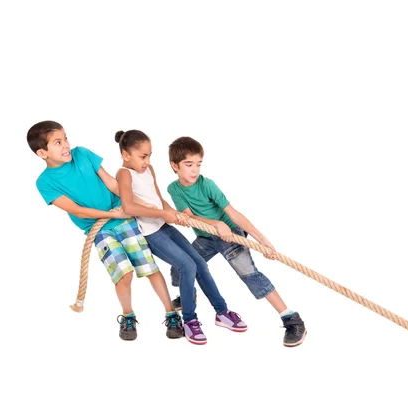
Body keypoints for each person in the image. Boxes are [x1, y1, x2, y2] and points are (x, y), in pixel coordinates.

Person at [28, 121, 183, 341]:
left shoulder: (82, 154)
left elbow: (112, 183)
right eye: (58, 142)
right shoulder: (44, 182)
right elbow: (77, 211)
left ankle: (171, 313)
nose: (66, 145)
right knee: (123, 274)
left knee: (149, 267)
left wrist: (138, 203)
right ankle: (128, 315)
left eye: (65, 138)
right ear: (42, 153)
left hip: (125, 219)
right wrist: (112, 215)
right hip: (100, 229)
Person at [166, 136, 307, 347]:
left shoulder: (207, 185)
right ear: (174, 166)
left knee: (250, 275)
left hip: (229, 234)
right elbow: (188, 216)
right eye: (189, 165)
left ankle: (291, 319)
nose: (195, 170)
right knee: (180, 266)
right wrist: (214, 224)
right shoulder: (173, 189)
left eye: (198, 164)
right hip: (206, 236)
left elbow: (233, 214)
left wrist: (263, 240)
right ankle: (189, 294)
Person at [114, 129, 247, 345]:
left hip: (164, 225)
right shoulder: (124, 173)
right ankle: (190, 320)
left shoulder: (150, 170)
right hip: (150, 232)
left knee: (200, 264)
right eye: (142, 156)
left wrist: (171, 213)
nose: (147, 161)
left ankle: (222, 312)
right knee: (187, 266)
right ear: (125, 154)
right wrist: (162, 213)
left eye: (149, 155)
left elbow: (158, 197)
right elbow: (128, 206)